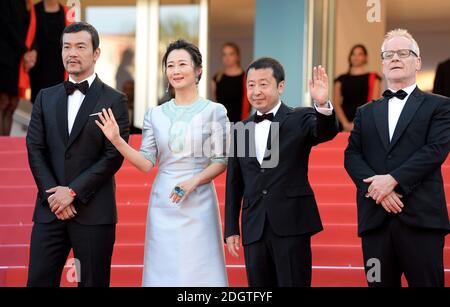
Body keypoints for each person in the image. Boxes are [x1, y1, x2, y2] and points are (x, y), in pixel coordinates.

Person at [96, 39, 229, 287]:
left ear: (198, 70)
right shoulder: (154, 114)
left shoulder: (215, 111)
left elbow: (221, 161)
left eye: (182, 64)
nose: (175, 71)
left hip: (199, 199)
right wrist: (117, 140)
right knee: (164, 268)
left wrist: (194, 181)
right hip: (164, 201)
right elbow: (147, 163)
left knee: (200, 268)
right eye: (170, 65)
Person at [26, 22, 130, 287]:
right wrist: (54, 195)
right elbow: (35, 148)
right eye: (66, 47)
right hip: (50, 211)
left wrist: (71, 192)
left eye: (80, 46)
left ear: (96, 53)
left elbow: (112, 156)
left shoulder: (115, 100)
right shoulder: (44, 98)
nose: (72, 53)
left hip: (94, 212)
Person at [344, 29, 450, 287]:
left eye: (404, 53)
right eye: (389, 54)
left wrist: (392, 180)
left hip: (421, 219)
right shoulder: (365, 112)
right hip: (375, 222)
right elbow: (352, 155)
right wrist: (376, 189)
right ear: (382, 64)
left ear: (418, 62)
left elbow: (435, 150)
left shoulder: (440, 105)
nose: (395, 58)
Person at [224, 57, 338, 287]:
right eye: (251, 85)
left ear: (281, 86)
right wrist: (231, 228)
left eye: (263, 84)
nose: (256, 91)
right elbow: (235, 183)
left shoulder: (299, 118)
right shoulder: (241, 129)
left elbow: (326, 132)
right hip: (254, 225)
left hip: (291, 223)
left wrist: (323, 103)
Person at [29, 0, 70, 103]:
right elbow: (30, 35)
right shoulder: (33, 9)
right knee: (40, 102)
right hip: (39, 66)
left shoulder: (66, 12)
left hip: (59, 66)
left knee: (56, 102)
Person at [334, 44, 381, 132]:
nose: (356, 57)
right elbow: (336, 103)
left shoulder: (374, 78)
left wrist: (359, 123)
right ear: (350, 57)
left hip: (365, 123)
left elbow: (374, 103)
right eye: (353, 54)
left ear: (365, 57)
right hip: (344, 124)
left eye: (360, 54)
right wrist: (345, 124)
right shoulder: (340, 79)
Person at [0, 0, 29, 135]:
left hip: (18, 60)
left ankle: (4, 145)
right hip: (5, 57)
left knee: (12, 103)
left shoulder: (24, 2)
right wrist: (24, 50)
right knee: (4, 102)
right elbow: (6, 26)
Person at [211, 42, 250, 123]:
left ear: (237, 57)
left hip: (241, 125)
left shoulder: (246, 78)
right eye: (224, 54)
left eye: (231, 54)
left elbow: (248, 106)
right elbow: (216, 106)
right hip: (221, 125)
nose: (227, 58)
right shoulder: (216, 78)